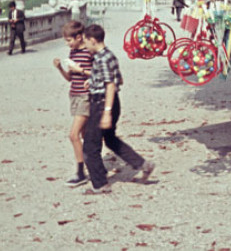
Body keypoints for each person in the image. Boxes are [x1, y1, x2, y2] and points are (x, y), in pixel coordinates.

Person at [73, 24, 155, 194]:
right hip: (112, 101)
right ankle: (142, 164)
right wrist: (94, 81)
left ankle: (100, 184)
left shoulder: (101, 59)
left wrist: (106, 112)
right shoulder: (109, 55)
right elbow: (119, 80)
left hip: (102, 103)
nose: (85, 46)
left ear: (93, 40)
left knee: (90, 145)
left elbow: (110, 85)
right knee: (110, 139)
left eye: (86, 42)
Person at [53, 21, 94, 187]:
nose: (67, 43)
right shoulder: (73, 52)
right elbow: (70, 78)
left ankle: (80, 172)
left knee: (73, 135)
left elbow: (98, 73)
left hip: (85, 97)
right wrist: (60, 69)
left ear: (79, 37)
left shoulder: (89, 52)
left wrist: (83, 73)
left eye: (69, 40)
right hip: (74, 95)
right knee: (84, 135)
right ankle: (93, 165)